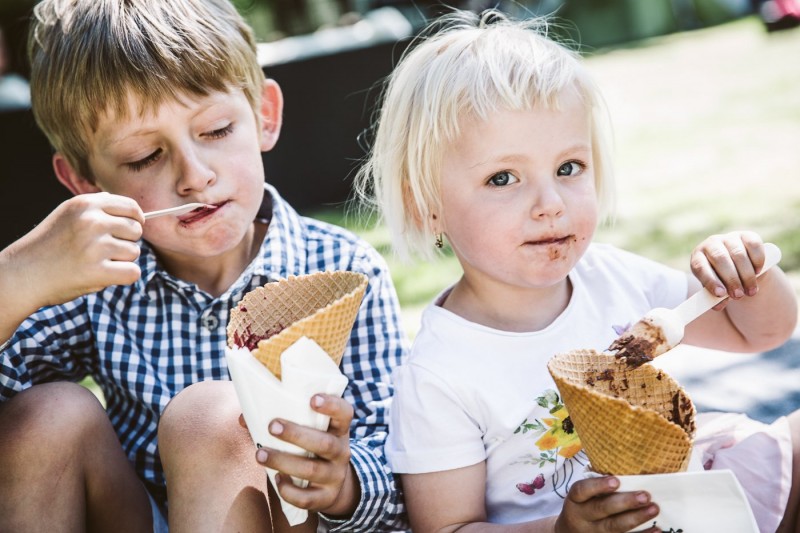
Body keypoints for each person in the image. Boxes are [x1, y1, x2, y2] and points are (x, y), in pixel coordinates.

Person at [355, 9, 800, 533]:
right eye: (503, 178)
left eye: (569, 168)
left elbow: (763, 331)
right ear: (425, 205)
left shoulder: (610, 276)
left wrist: (750, 275)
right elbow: (449, 527)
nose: (550, 204)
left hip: (697, 494)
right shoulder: (439, 375)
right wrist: (561, 530)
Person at [0, 0, 408, 531]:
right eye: (145, 156)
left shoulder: (341, 270)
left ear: (264, 116)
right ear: (83, 182)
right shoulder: (89, 285)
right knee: (44, 418)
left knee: (212, 417)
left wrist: (344, 485)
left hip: (292, 518)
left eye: (216, 130)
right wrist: (16, 278)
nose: (194, 177)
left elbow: (404, 477)